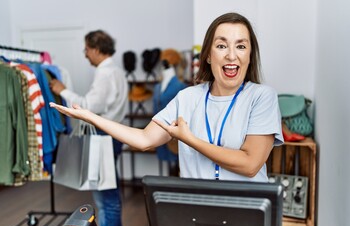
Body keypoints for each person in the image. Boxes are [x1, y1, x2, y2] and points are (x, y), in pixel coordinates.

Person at [50, 13, 283, 185]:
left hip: (247, 211)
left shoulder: (262, 97)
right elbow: (143, 139)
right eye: (222, 45)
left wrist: (189, 140)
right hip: (197, 211)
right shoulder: (187, 97)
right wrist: (90, 117)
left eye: (241, 46)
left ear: (250, 56)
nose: (231, 55)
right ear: (209, 56)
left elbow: (250, 165)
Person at [49, 30, 127, 226]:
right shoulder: (117, 71)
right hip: (114, 133)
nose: (85, 54)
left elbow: (89, 106)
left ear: (95, 49)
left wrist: (62, 90)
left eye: (86, 49)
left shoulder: (105, 72)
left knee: (105, 197)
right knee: (109, 190)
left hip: (104, 135)